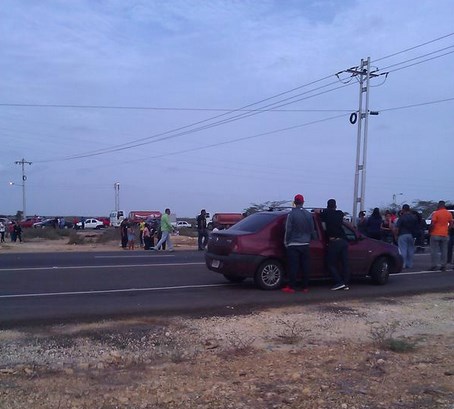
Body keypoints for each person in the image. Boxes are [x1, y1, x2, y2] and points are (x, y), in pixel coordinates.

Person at [281, 194, 315, 294]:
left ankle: (291, 287)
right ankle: (305, 287)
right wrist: (312, 239)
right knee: (305, 266)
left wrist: (286, 242)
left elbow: (288, 229)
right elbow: (312, 229)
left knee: (293, 266)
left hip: (294, 244)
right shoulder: (308, 214)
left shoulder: (291, 214)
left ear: (294, 202)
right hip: (305, 243)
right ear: (303, 202)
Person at [320, 199, 350, 291]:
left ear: (327, 206)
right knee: (345, 263)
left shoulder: (326, 213)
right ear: (335, 206)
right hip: (344, 241)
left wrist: (319, 211)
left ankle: (339, 282)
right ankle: (345, 283)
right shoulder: (340, 214)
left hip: (335, 242)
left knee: (330, 263)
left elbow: (322, 214)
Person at [429, 201, 453, 271]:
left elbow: (433, 223)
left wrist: (430, 231)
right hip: (444, 234)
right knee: (444, 250)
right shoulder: (449, 213)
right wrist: (447, 230)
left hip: (435, 234)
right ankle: (443, 265)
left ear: (439, 205)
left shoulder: (436, 213)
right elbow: (451, 224)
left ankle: (434, 265)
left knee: (434, 251)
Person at [395, 204, 418, 269]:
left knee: (403, 250)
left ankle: (403, 264)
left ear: (403, 209)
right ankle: (409, 264)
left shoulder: (402, 217)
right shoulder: (414, 217)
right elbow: (416, 227)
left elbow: (397, 228)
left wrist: (396, 235)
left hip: (402, 234)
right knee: (410, 250)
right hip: (411, 235)